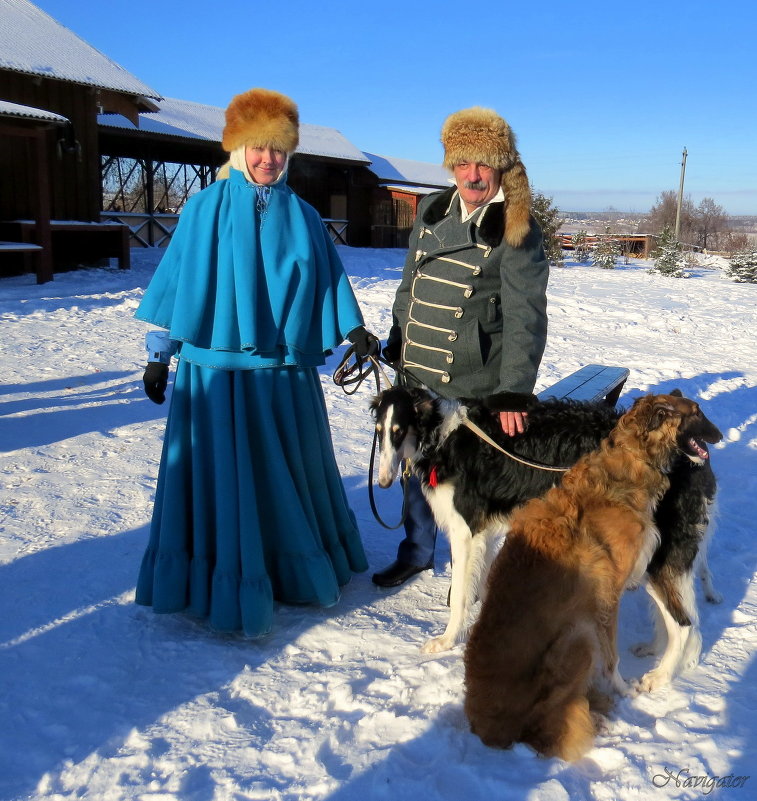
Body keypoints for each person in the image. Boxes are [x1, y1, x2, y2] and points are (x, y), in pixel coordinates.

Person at [135, 87, 377, 636]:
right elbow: (178, 285)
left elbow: (330, 279)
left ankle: (290, 573)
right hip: (214, 374)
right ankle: (219, 583)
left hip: (283, 374)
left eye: (278, 150)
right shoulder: (204, 210)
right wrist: (158, 357)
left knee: (285, 481)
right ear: (238, 150)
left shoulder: (305, 215)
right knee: (225, 484)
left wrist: (354, 328)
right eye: (258, 148)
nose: (268, 160)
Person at [372, 106, 549, 588]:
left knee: (465, 481)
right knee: (415, 466)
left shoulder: (516, 230)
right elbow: (410, 282)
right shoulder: (432, 212)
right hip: (417, 368)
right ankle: (417, 550)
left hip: (471, 377)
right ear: (451, 164)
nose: (473, 176)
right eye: (464, 163)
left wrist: (514, 390)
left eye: (484, 164)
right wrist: (397, 333)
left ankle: (469, 565)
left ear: (500, 168)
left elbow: (525, 316)